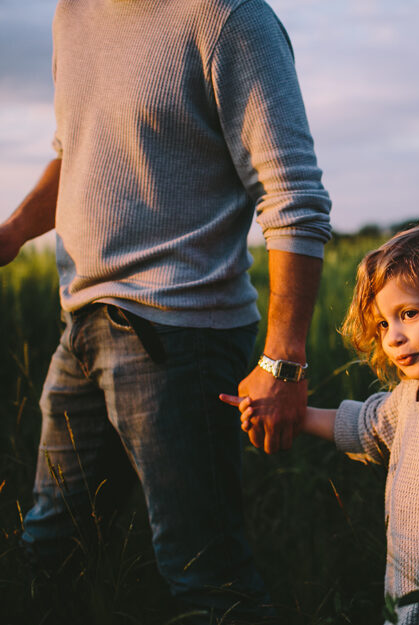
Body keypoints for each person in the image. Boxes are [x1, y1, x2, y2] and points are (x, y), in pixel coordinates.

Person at [0, 0, 331, 620]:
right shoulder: (72, 14)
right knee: (50, 551)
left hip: (183, 341)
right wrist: (15, 230)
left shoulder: (230, 19)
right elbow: (76, 152)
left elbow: (294, 197)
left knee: (207, 579)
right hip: (82, 326)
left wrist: (284, 363)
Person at [223, 226, 419, 625]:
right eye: (382, 324)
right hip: (402, 608)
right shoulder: (407, 399)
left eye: (408, 314)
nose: (392, 337)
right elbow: (365, 425)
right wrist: (292, 413)